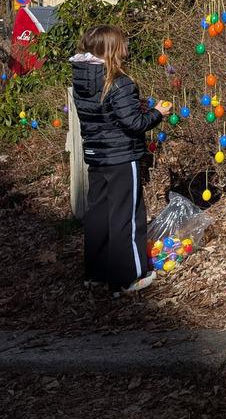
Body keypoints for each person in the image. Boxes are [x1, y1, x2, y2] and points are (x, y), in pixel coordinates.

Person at [70, 25, 171, 294]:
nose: (127, 46)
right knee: (126, 215)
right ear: (114, 48)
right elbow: (133, 123)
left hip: (97, 155)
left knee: (99, 214)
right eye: (124, 42)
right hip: (121, 156)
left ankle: (96, 273)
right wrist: (157, 112)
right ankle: (128, 277)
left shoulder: (82, 79)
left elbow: (106, 115)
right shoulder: (119, 82)